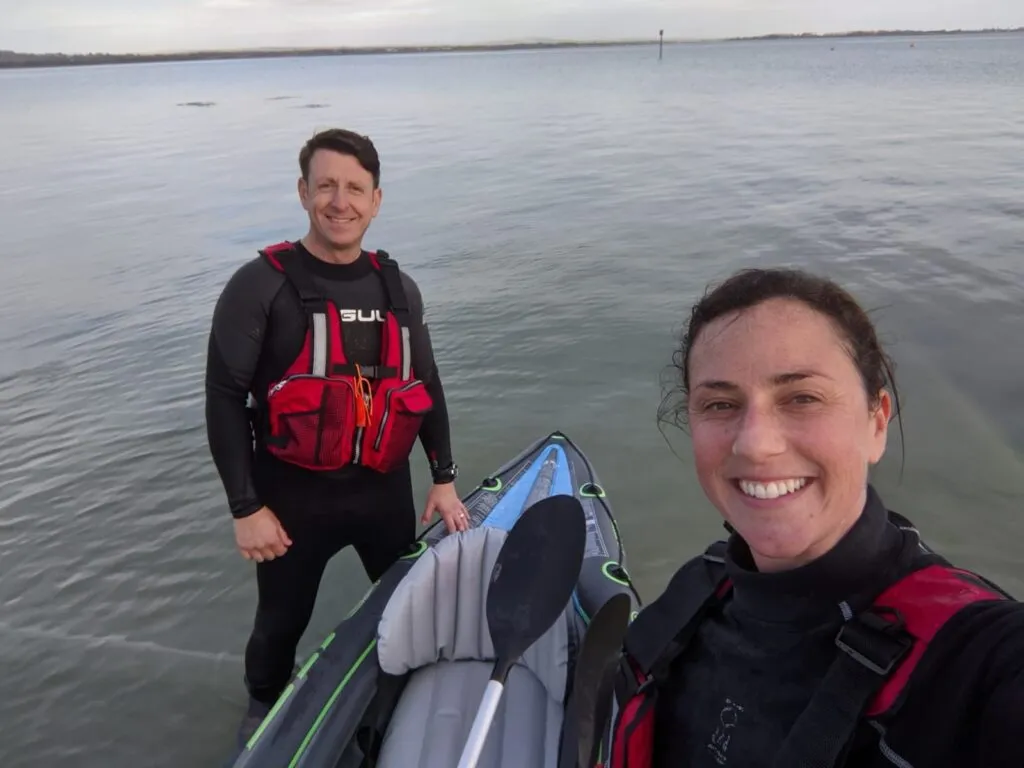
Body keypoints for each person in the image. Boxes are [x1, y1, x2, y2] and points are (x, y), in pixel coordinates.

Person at [607, 268, 1024, 767]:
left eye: (802, 398)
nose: (755, 443)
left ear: (876, 421)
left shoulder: (975, 660)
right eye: (720, 404)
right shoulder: (695, 595)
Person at [204, 128, 469, 746]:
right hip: (292, 502)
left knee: (409, 608)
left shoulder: (399, 289)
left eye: (355, 188)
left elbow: (425, 384)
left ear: (377, 200)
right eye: (326, 185)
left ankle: (400, 705)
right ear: (303, 193)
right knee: (279, 622)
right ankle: (264, 711)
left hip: (382, 495)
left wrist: (445, 478)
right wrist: (246, 508)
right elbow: (222, 397)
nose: (339, 201)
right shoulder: (259, 286)